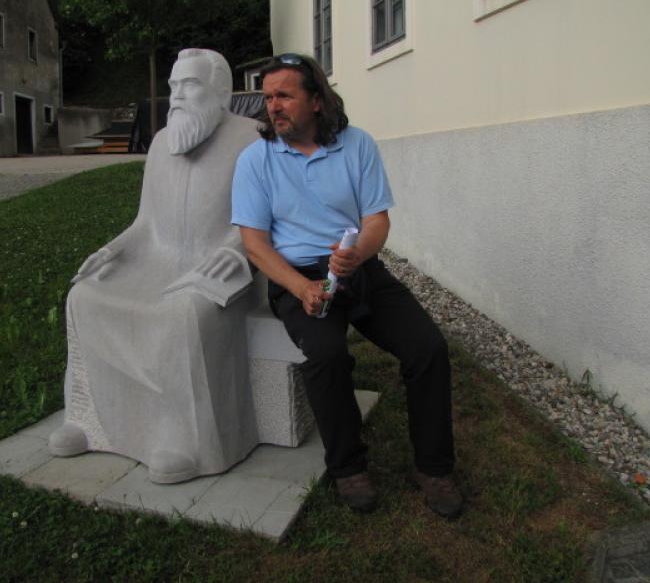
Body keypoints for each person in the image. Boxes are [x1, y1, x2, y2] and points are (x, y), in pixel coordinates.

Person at [231, 53, 463, 517]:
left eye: (284, 96)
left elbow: (376, 220)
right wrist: (301, 288)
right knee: (327, 356)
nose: (273, 106)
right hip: (298, 277)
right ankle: (348, 467)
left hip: (358, 270)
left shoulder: (357, 145)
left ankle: (434, 468)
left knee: (428, 349)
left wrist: (358, 254)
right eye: (268, 97)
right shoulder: (256, 160)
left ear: (316, 100)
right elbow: (254, 244)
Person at [48, 49, 262, 484]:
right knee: (84, 295)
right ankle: (89, 421)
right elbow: (145, 223)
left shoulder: (254, 140)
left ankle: (185, 441)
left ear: (222, 92)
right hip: (155, 259)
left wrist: (237, 249)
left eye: (190, 84)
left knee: (186, 312)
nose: (176, 95)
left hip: (223, 264)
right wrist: (112, 249)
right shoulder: (163, 143)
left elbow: (264, 218)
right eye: (173, 86)